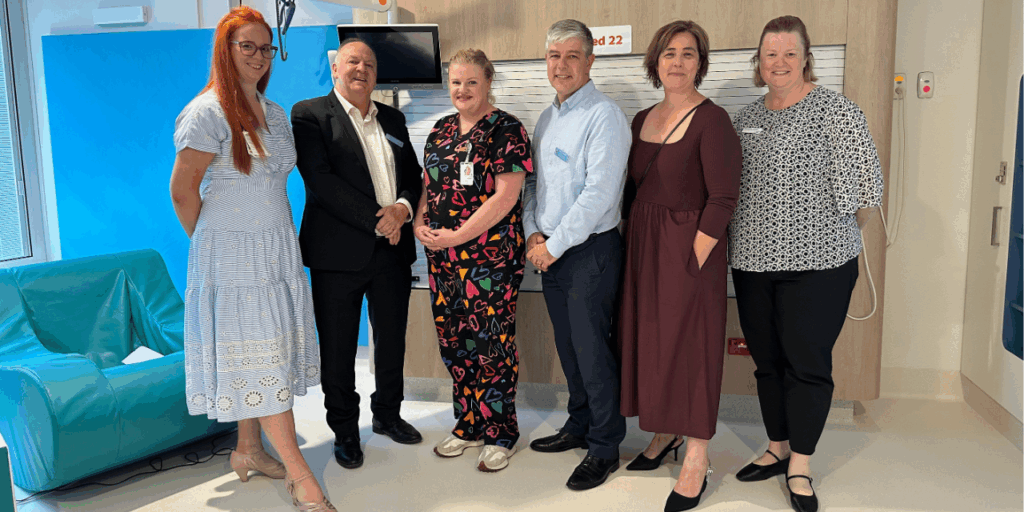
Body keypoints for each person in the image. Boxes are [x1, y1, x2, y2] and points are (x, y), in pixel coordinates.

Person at [169, 7, 334, 511]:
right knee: (260, 356)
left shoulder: (275, 111)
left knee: (268, 355)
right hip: (232, 256)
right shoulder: (207, 112)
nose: (259, 57)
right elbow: (181, 192)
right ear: (226, 49)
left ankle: (247, 449)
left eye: (265, 48)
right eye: (248, 47)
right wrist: (216, 248)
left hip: (277, 249)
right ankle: (301, 479)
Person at [729, 15, 883, 512]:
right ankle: (776, 447)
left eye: (789, 54)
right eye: (770, 54)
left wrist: (816, 230)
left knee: (807, 365)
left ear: (806, 58)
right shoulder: (745, 117)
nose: (779, 63)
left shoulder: (837, 112)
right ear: (759, 61)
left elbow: (865, 193)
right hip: (752, 262)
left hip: (818, 265)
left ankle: (800, 463)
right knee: (767, 363)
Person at [617, 20, 741, 512]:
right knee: (654, 342)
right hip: (644, 246)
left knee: (693, 347)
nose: (677, 62)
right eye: (669, 53)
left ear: (700, 64)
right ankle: (665, 433)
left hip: (690, 248)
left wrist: (695, 256)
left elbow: (724, 196)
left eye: (688, 54)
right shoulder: (641, 117)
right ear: (655, 61)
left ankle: (696, 455)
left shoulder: (713, 120)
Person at [291, 38, 424, 471]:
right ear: (335, 68)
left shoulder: (393, 118)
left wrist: (402, 209)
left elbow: (413, 176)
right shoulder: (310, 115)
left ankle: (387, 415)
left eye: (369, 63)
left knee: (391, 342)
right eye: (353, 61)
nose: (361, 69)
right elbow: (321, 181)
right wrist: (377, 219)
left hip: (392, 252)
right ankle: (346, 430)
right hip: (338, 256)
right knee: (339, 348)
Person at [523, 19, 631, 491]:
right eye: (554, 56)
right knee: (569, 349)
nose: (562, 65)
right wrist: (532, 236)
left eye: (572, 56)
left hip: (590, 252)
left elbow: (600, 195)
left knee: (592, 352)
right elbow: (533, 187)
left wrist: (552, 246)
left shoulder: (604, 115)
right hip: (550, 251)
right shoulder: (547, 118)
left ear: (590, 61)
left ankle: (605, 446)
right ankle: (579, 424)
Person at [414, 48, 533, 473]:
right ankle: (468, 424)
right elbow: (430, 184)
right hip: (443, 259)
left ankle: (502, 432)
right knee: (455, 342)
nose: (462, 90)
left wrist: (458, 237)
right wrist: (420, 222)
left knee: (490, 344)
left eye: (471, 82)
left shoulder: (507, 129)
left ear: (488, 82)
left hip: (489, 260)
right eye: (456, 82)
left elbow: (507, 195)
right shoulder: (442, 128)